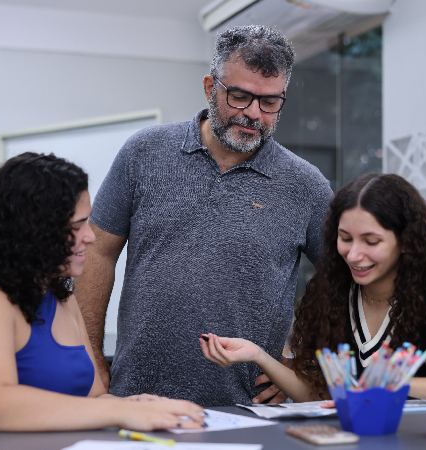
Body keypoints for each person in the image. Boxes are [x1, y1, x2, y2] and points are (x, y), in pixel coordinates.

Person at [74, 25, 333, 407]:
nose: (253, 115)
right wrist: (91, 353)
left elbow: (345, 278)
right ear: (211, 87)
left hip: (248, 407)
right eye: (240, 96)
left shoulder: (305, 185)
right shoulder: (143, 153)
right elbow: (97, 252)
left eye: (269, 103)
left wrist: (301, 363)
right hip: (138, 398)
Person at [200, 173, 426, 409]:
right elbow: (321, 397)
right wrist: (257, 355)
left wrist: (394, 385)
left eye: (371, 242)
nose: (354, 255)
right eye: (345, 238)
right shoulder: (332, 299)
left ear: (406, 242)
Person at [0, 152, 205, 431]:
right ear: (34, 230)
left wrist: (133, 406)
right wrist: (115, 410)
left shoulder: (63, 298)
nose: (90, 237)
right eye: (77, 226)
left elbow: (93, 398)